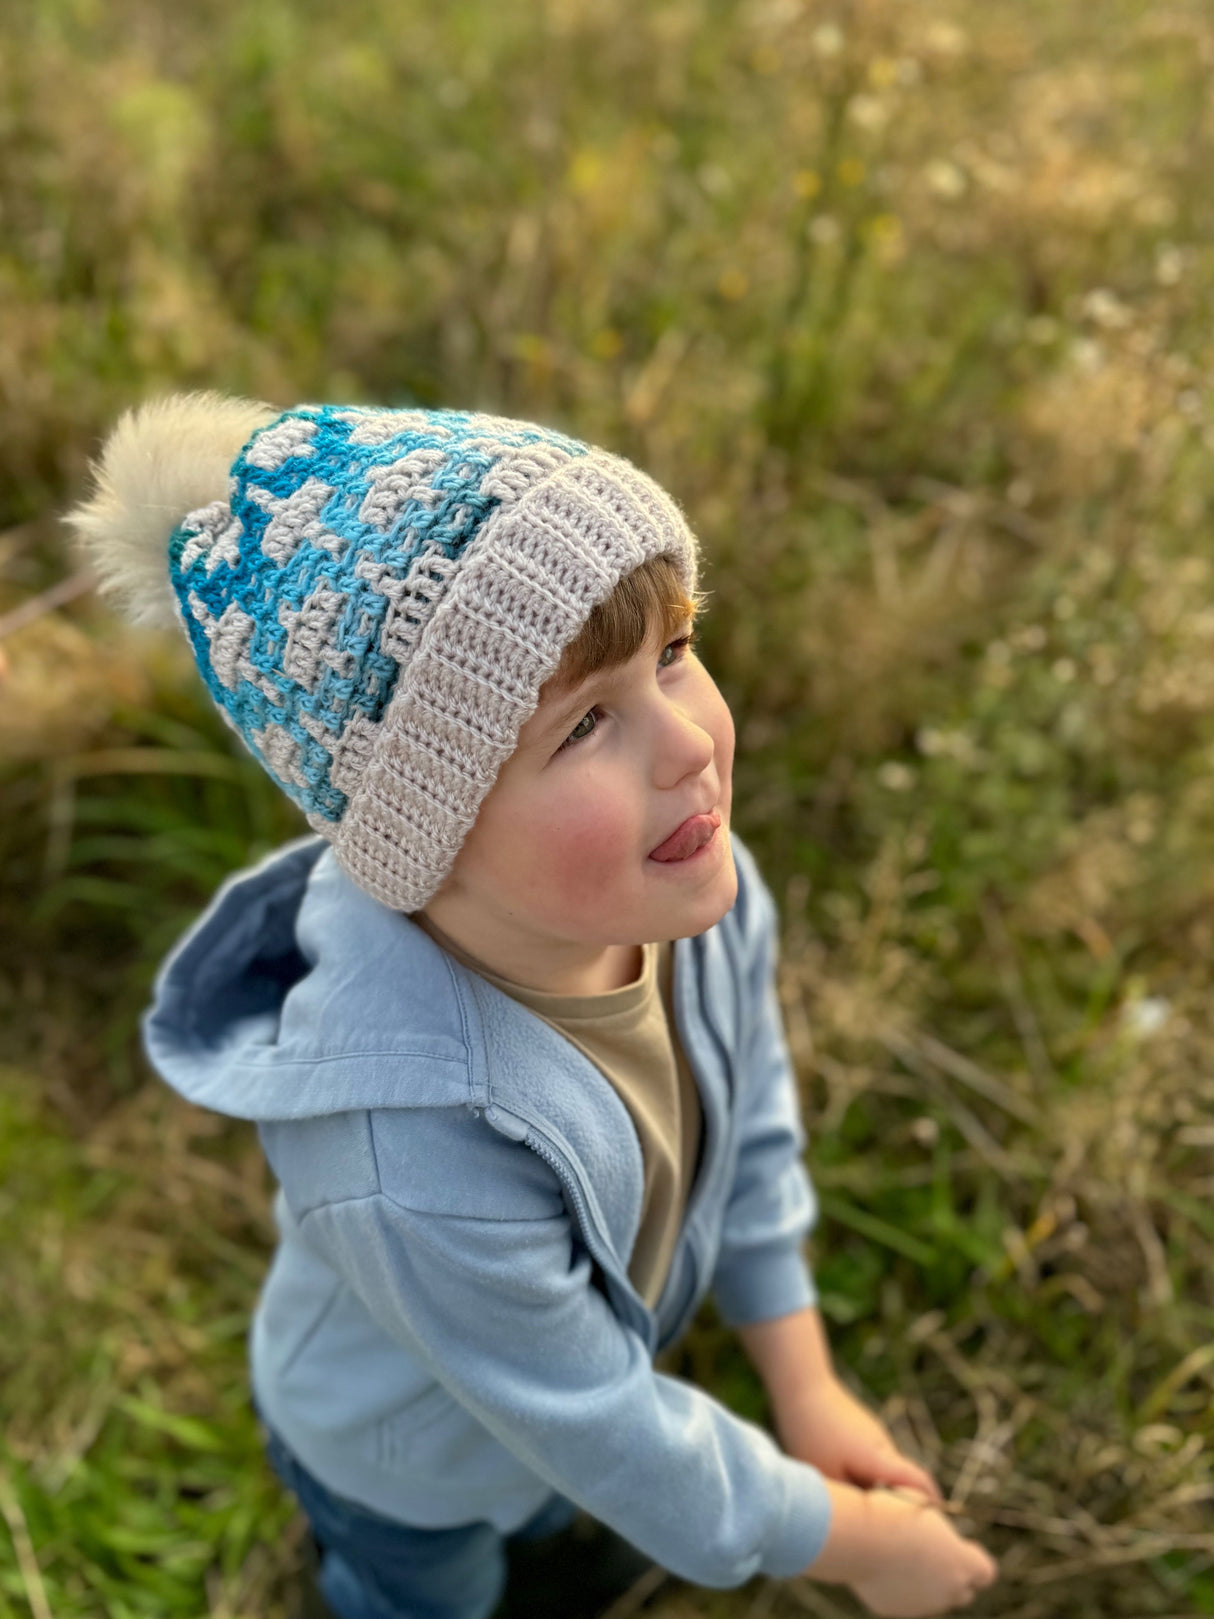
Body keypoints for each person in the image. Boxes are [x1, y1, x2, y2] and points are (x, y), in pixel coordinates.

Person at [67, 394, 999, 1619]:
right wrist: (857, 1542)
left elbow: (749, 1126)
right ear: (423, 834)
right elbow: (607, 1425)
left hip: (558, 1397)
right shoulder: (404, 1144)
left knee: (574, 1529)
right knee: (432, 1594)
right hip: (404, 1463)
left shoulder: (687, 892)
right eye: (586, 724)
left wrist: (805, 1382)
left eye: (671, 651)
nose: (686, 746)